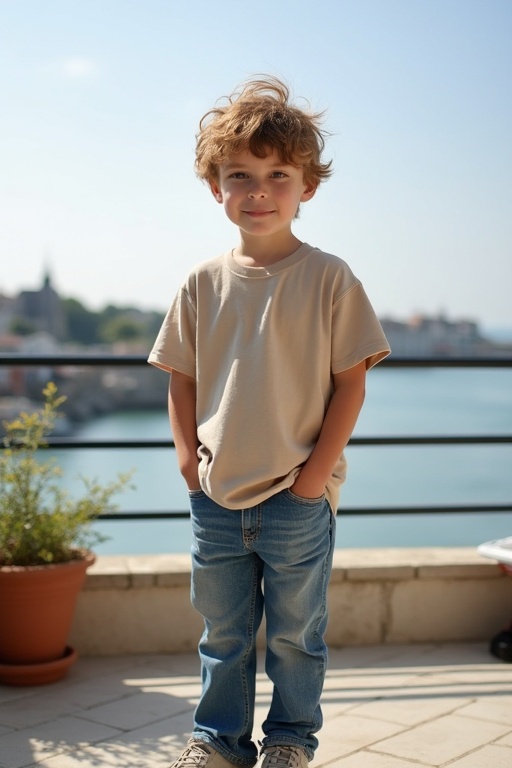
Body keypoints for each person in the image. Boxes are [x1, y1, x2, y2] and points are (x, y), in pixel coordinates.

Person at [148, 76, 390, 768]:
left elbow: (351, 382)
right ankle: (220, 740)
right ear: (215, 188)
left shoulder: (330, 278)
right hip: (216, 497)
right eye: (239, 176)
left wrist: (313, 479)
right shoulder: (201, 282)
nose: (258, 190)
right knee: (223, 634)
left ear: (307, 186)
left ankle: (289, 741)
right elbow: (181, 378)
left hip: (296, 497)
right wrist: (189, 467)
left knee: (294, 636)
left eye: (277, 174)